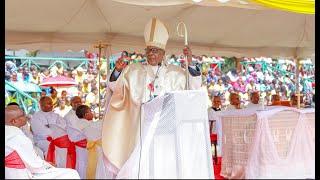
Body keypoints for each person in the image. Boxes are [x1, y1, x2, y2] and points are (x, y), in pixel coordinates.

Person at [102, 17, 202, 177]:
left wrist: (190, 62)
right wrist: (118, 71)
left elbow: (193, 88)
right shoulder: (133, 71)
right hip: (141, 128)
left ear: (163, 53)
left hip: (167, 129)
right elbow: (117, 88)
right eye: (148, 50)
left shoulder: (176, 73)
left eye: (155, 50)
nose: (151, 54)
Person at [5, 107, 81, 179]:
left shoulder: (9, 132)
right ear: (14, 121)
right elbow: (34, 164)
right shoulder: (16, 136)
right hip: (19, 173)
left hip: (13, 171)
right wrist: (48, 165)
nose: (26, 116)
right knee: (72, 174)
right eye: (22, 115)